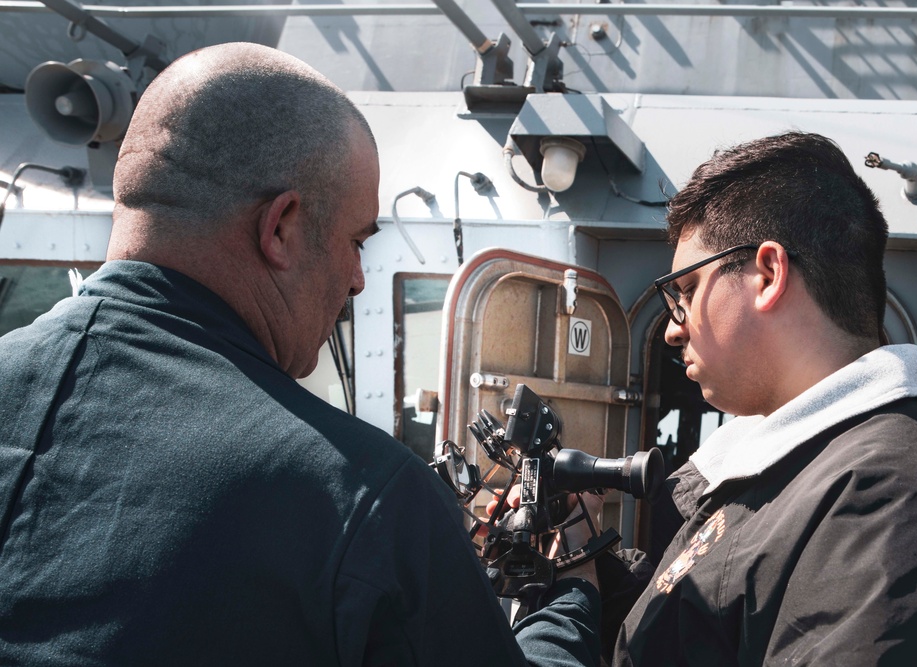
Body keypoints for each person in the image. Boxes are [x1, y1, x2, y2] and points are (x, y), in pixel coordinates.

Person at [0, 43, 601, 666]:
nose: (358, 279)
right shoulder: (363, 496)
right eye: (356, 241)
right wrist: (572, 597)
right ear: (281, 227)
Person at [612, 132, 917, 664]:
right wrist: (584, 575)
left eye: (689, 289)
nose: (675, 329)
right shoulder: (818, 473)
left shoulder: (898, 510)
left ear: (768, 274)